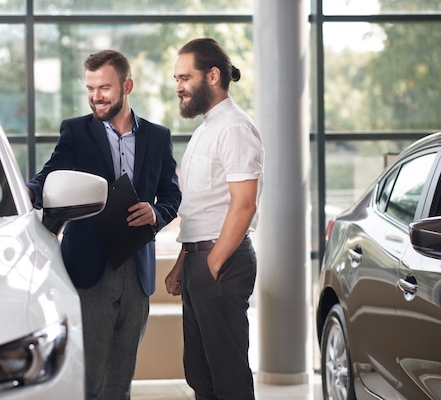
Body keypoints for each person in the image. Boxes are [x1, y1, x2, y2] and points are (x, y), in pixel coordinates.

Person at [26, 49, 181, 400]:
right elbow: (54, 171)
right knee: (89, 380)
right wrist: (31, 190)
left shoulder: (158, 137)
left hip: (137, 270)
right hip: (89, 268)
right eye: (90, 88)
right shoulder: (76, 131)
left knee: (120, 383)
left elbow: (171, 195)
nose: (96, 96)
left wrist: (157, 214)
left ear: (127, 85)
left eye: (105, 88)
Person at [165, 38, 264, 400]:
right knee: (199, 372)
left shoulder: (234, 128)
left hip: (222, 263)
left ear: (213, 75)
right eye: (176, 78)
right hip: (199, 260)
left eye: (184, 77)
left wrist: (212, 263)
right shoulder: (204, 131)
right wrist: (183, 263)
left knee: (228, 377)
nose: (178, 87)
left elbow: (244, 205)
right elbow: (199, 210)